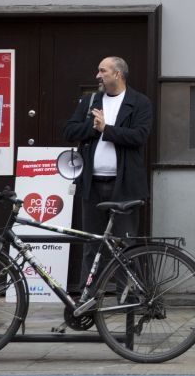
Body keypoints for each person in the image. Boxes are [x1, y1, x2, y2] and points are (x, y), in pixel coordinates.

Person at [62, 56, 152, 282]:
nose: (98, 75)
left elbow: (139, 136)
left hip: (125, 187)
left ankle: (128, 301)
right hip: (92, 186)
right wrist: (93, 129)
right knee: (92, 244)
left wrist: (106, 129)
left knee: (125, 246)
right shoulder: (90, 100)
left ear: (117, 74)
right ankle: (87, 301)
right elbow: (69, 131)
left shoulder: (140, 102)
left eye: (102, 71)